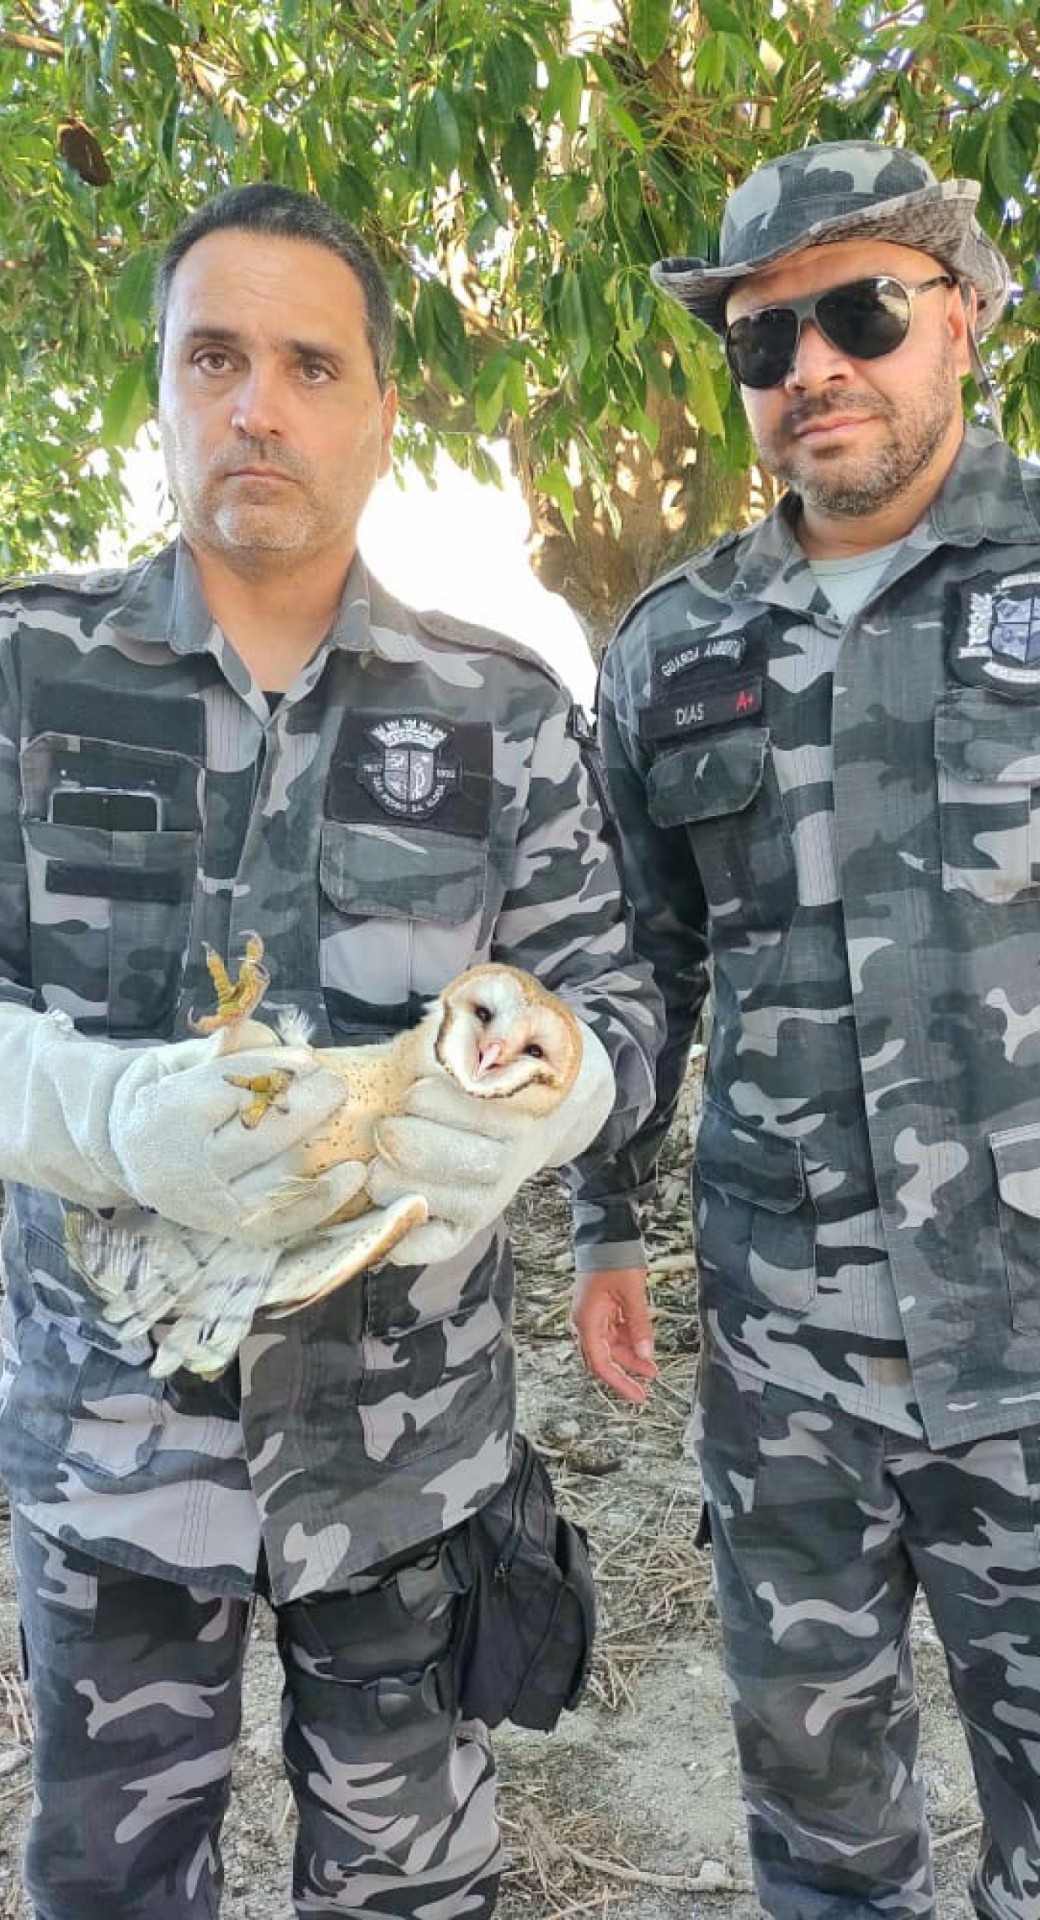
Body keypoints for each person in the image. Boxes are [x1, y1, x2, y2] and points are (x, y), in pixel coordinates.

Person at [0, 185, 663, 1918]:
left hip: (413, 1469)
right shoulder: (16, 672)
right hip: (114, 1458)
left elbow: (624, 1006)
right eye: (213, 356)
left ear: (378, 410)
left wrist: (547, 1095)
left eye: (309, 362)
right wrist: (111, 1115)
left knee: (415, 1894)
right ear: (161, 386)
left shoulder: (497, 713)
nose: (257, 404)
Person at [580, 141, 1040, 1918]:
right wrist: (606, 1224)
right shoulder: (675, 646)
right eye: (767, 340)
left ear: (968, 317)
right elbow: (643, 960)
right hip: (785, 1378)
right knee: (828, 1847)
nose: (812, 369)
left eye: (862, 312)